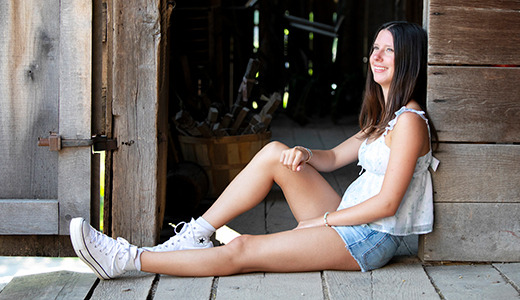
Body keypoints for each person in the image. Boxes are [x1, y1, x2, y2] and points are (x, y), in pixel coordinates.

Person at [69, 21, 439, 280]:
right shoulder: (386, 118)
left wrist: (321, 222)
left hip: (369, 238)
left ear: (408, 59)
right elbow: (332, 158)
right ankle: (197, 233)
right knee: (276, 152)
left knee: (243, 249)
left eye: (389, 51)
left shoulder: (409, 122)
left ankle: (127, 260)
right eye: (375, 48)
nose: (377, 56)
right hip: (350, 220)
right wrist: (305, 154)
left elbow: (388, 204)